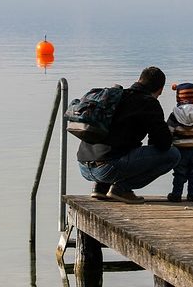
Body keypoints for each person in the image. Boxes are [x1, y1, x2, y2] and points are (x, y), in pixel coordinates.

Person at [77, 66, 181, 204]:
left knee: (117, 148)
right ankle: (121, 189)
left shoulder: (116, 96)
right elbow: (163, 144)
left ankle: (100, 188)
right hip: (107, 169)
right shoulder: (149, 103)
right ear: (160, 90)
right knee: (173, 155)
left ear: (138, 80)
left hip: (83, 166)